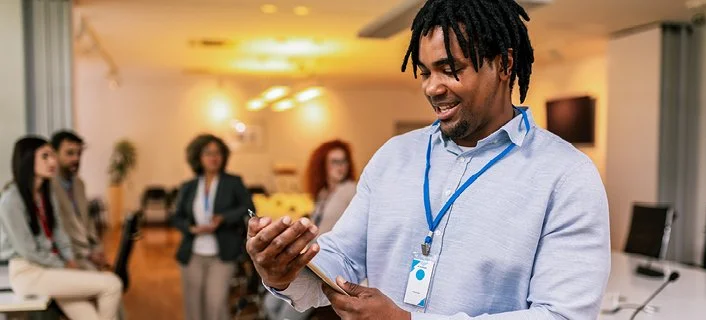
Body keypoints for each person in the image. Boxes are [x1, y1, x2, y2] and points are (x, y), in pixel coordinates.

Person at [245, 0, 610, 319]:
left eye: (451, 69)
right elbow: (344, 257)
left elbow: (561, 316)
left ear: (504, 64)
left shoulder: (566, 175)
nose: (432, 87)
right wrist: (287, 269)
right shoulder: (394, 156)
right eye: (424, 72)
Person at [0, 136, 123, 320]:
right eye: (45, 156)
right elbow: (28, 251)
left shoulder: (46, 194)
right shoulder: (11, 200)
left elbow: (59, 233)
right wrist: (64, 265)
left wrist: (69, 259)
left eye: (52, 155)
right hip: (29, 273)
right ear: (27, 159)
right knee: (112, 285)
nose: (53, 161)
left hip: (51, 270)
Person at [263, 140, 358, 320]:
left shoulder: (349, 190)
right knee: (270, 303)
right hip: (311, 258)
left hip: (329, 262)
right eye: (334, 161)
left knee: (286, 315)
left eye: (343, 161)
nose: (341, 166)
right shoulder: (323, 193)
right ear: (323, 165)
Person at [171, 134, 256, 320]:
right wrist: (191, 228)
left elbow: (250, 209)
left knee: (215, 304)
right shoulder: (189, 186)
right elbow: (176, 217)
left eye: (217, 153)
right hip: (193, 253)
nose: (213, 157)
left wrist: (223, 218)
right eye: (208, 153)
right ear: (198, 158)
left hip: (223, 254)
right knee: (193, 307)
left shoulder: (233, 182)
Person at [50, 130, 108, 271]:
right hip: (66, 256)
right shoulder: (48, 187)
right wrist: (87, 254)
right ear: (54, 154)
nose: (76, 159)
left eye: (79, 153)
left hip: (86, 252)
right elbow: (59, 232)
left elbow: (88, 223)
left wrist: (97, 249)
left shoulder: (79, 184)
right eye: (70, 153)